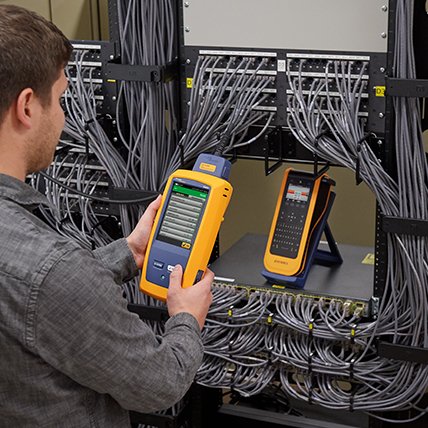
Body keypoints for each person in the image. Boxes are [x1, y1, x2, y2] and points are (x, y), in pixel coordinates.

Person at [0, 5, 213, 427]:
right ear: (27, 107)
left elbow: (29, 296)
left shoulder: (44, 270)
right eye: (60, 99)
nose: (62, 117)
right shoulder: (54, 269)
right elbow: (160, 384)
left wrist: (127, 252)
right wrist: (187, 317)